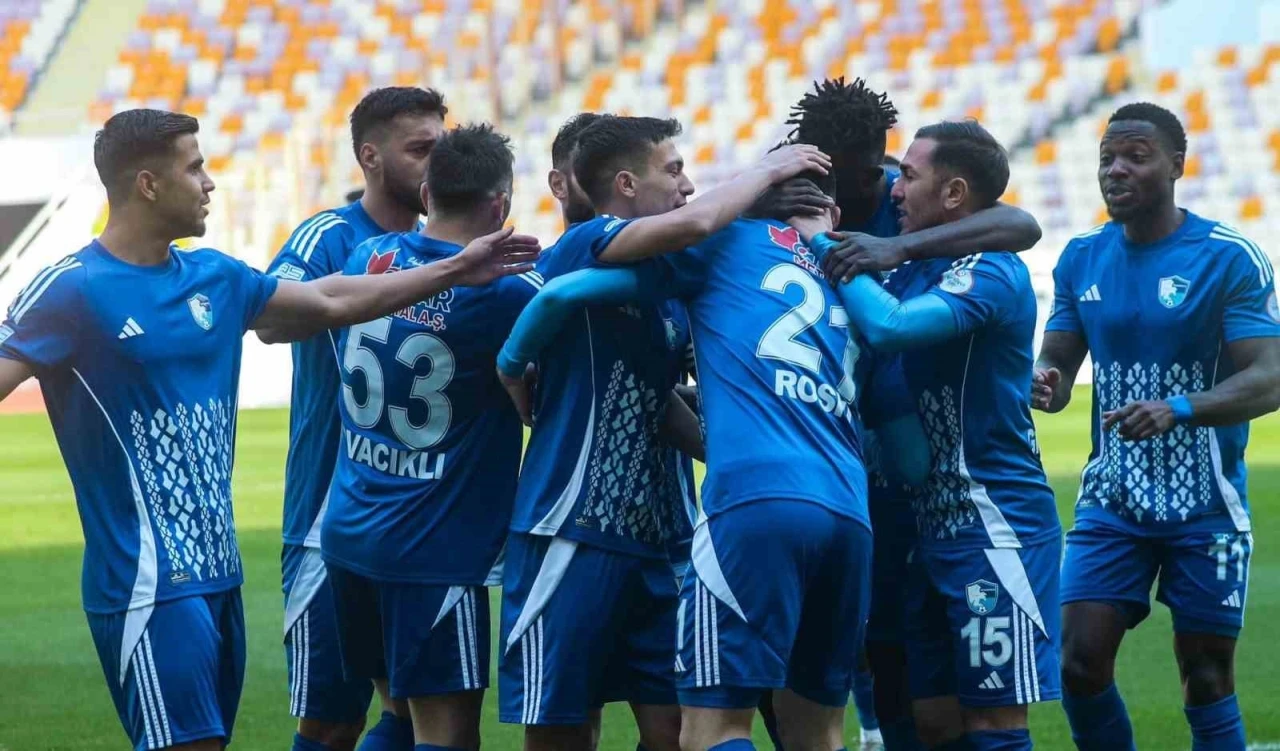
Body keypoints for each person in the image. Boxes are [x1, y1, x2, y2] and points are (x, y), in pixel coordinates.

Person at [0, 108, 537, 751]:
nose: (209, 182)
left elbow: (330, 301)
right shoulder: (72, 288)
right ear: (148, 184)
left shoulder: (217, 276)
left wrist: (453, 267)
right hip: (145, 582)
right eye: (194, 168)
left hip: (220, 576)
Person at [494, 115, 827, 751]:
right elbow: (695, 223)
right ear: (625, 184)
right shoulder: (585, 241)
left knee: (677, 731)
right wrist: (764, 173)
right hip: (573, 527)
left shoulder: (670, 285)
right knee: (563, 731)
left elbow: (654, 400)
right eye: (673, 171)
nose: (687, 184)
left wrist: (736, 454)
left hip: (665, 536)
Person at [752, 77, 1044, 751]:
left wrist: (893, 248)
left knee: (909, 665)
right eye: (873, 170)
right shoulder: (775, 200)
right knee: (835, 646)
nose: (886, 183)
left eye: (892, 171)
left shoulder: (902, 212)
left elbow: (1019, 226)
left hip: (924, 479)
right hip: (824, 457)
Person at [1033, 103, 1280, 751]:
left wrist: (1179, 407)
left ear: (1176, 165)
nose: (1115, 169)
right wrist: (1044, 381)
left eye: (1135, 156)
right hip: (1111, 499)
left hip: (1206, 506)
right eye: (1107, 158)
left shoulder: (1227, 257)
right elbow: (1057, 363)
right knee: (1077, 664)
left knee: (1206, 677)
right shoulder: (1082, 257)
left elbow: (1270, 377)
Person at [319, 123, 542, 751]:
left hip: (351, 531)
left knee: (396, 715)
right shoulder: (508, 292)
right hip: (433, 550)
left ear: (426, 192)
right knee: (447, 735)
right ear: (500, 206)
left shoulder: (371, 258)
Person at [267, 85, 448, 751]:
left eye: (443, 149)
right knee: (332, 722)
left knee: (416, 711)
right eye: (420, 149)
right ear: (370, 157)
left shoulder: (444, 247)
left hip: (416, 523)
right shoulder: (330, 235)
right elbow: (272, 318)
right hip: (328, 514)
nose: (436, 165)